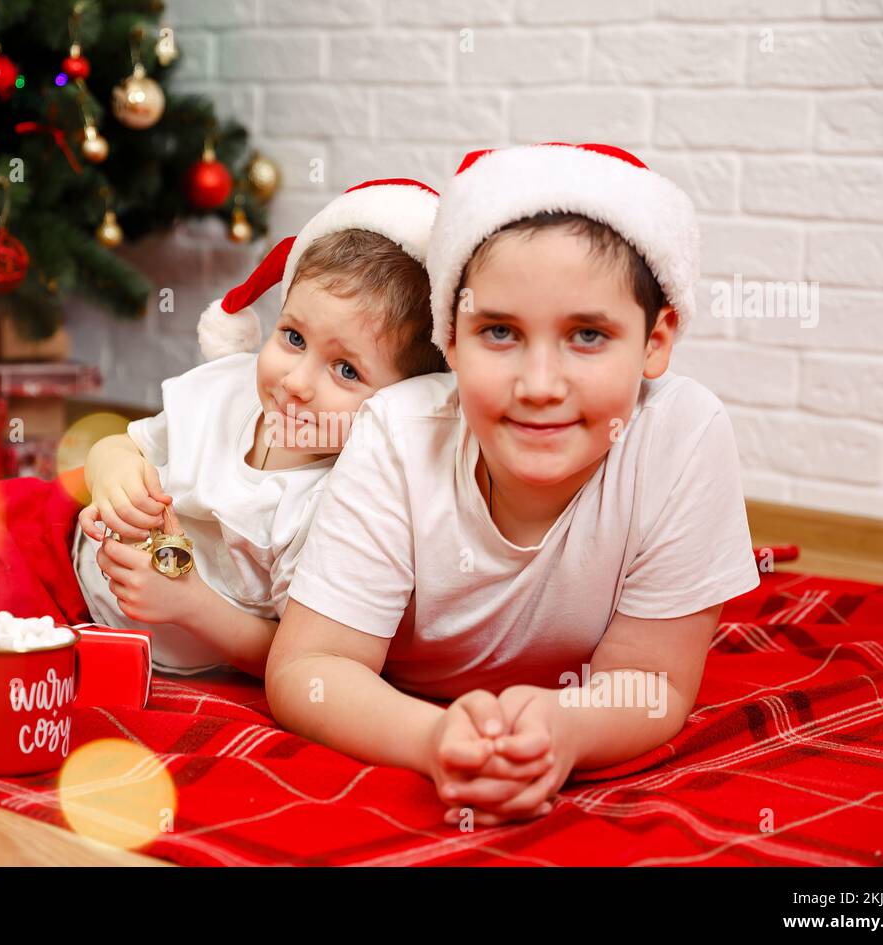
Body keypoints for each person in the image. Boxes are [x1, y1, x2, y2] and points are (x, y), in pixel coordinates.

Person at [265, 143, 762, 826]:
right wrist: (434, 739)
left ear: (655, 340)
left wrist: (565, 726)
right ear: (451, 336)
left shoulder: (683, 434)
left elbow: (651, 681)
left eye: (587, 335)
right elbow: (310, 667)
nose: (539, 387)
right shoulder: (398, 433)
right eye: (499, 331)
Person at [73, 179, 448, 678]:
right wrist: (112, 473)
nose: (296, 382)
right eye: (293, 337)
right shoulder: (227, 392)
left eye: (346, 370)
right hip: (72, 579)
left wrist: (189, 605)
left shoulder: (343, 504)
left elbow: (293, 652)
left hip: (169, 661)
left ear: (399, 402)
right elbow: (123, 442)